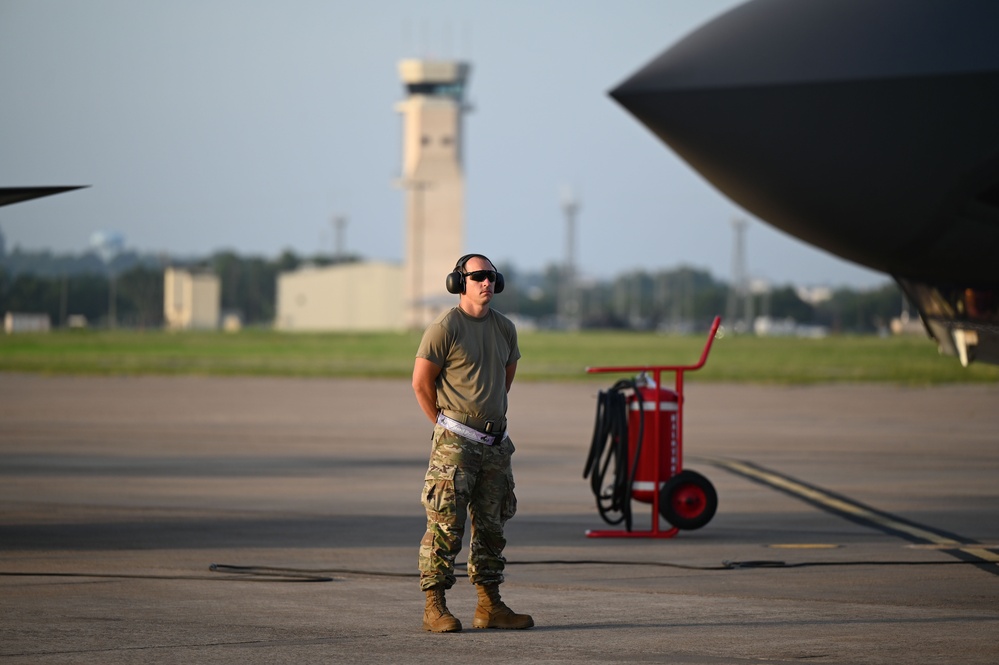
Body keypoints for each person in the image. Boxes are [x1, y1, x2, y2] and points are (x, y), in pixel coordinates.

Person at [412, 253, 534, 633]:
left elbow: (505, 377)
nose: (487, 283)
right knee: (446, 525)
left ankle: (489, 606)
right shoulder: (445, 327)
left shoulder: (505, 328)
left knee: (492, 527)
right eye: (479, 276)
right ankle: (435, 607)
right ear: (458, 282)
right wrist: (446, 426)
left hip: (495, 445)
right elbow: (421, 383)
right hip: (456, 443)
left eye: (493, 277)